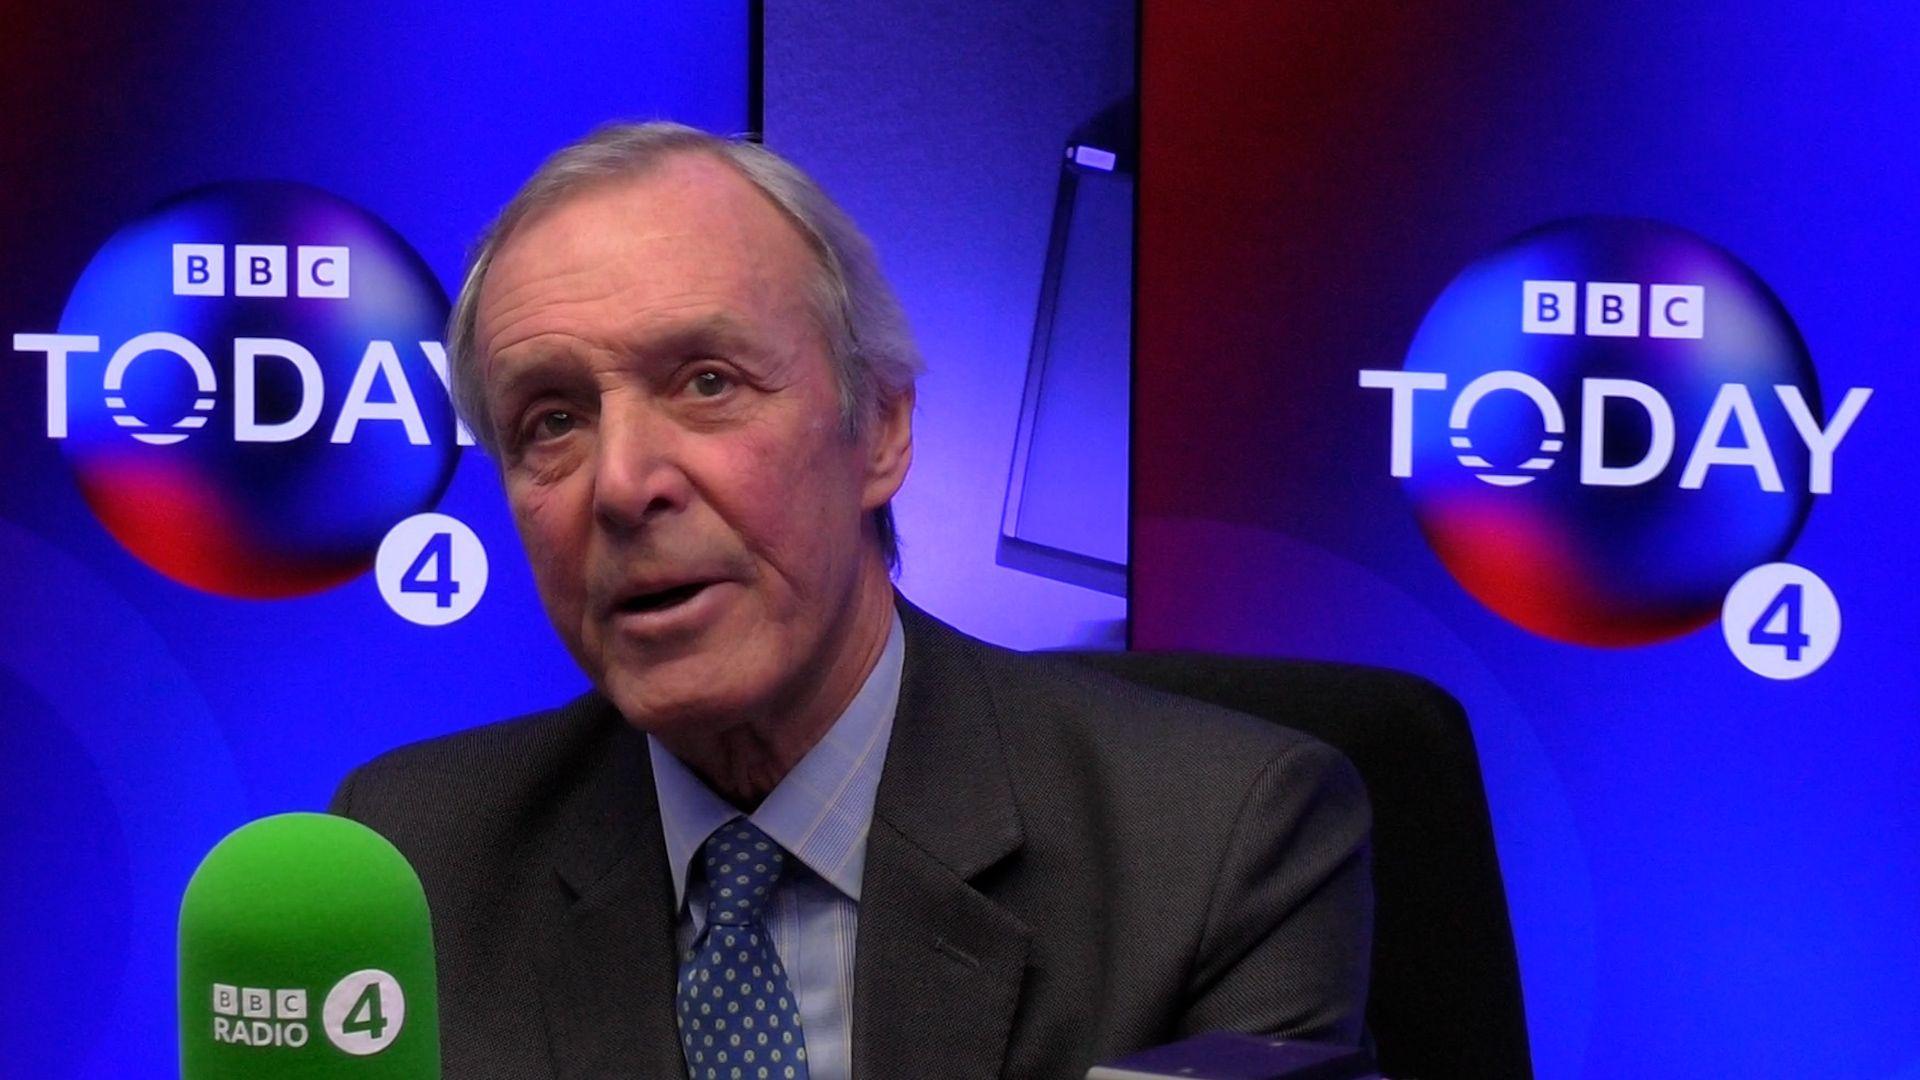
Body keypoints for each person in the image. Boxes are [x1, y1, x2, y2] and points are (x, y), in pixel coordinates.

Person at [331, 121, 1371, 1079]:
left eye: (707, 382)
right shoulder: (410, 870)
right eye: (552, 420)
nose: (620, 483)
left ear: (879, 429)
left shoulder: (1218, 845)